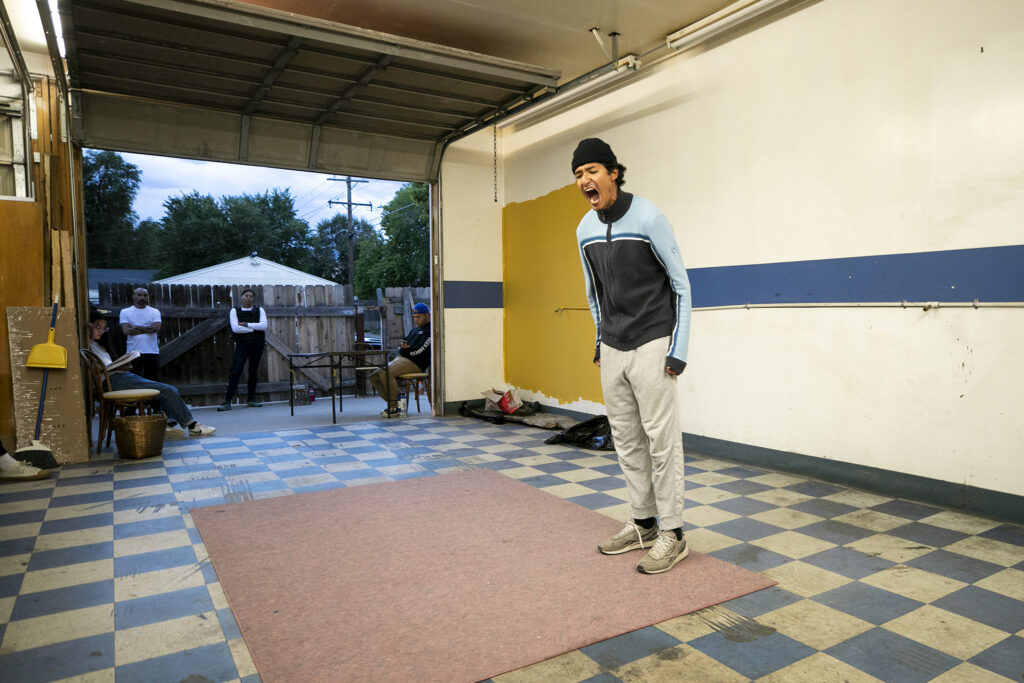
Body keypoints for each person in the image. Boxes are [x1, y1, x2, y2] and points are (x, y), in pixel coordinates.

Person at [573, 137, 693, 575]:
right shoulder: (584, 228)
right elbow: (593, 294)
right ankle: (643, 524)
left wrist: (677, 349)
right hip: (613, 346)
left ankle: (673, 533)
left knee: (662, 441)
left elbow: (681, 285)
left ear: (614, 173)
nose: (585, 180)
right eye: (578, 175)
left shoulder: (648, 216)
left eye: (592, 171)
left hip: (653, 341)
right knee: (625, 440)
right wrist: (600, 341)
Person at [88, 311, 216, 438]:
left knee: (165, 390)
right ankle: (192, 426)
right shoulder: (89, 346)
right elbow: (100, 370)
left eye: (104, 328)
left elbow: (104, 366)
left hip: (119, 376)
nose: (101, 331)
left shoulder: (99, 345)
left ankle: (166, 421)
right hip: (113, 380)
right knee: (168, 390)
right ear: (88, 326)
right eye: (97, 327)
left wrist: (122, 365)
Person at [371, 303, 431, 418]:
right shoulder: (415, 330)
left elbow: (420, 350)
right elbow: (402, 344)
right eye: (414, 317)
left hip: (416, 363)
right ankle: (397, 402)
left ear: (427, 315)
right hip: (403, 359)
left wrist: (406, 350)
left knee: (385, 372)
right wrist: (404, 349)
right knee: (374, 376)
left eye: (419, 317)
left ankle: (393, 408)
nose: (416, 320)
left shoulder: (430, 331)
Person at [218, 288, 268, 411]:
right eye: (246, 295)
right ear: (242, 297)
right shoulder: (234, 311)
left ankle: (251, 399)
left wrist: (245, 324)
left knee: (253, 371)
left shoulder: (259, 310)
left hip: (257, 344)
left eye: (251, 296)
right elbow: (235, 328)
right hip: (242, 344)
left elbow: (264, 326)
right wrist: (253, 329)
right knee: (236, 371)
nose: (248, 298)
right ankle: (227, 401)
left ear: (253, 298)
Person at [119, 287, 162, 380]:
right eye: (139, 295)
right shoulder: (125, 312)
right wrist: (148, 328)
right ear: (133, 296)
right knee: (133, 380)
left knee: (153, 380)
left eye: (145, 295)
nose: (142, 297)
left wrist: (137, 327)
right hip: (133, 352)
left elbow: (157, 329)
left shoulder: (155, 311)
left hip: (152, 351)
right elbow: (126, 331)